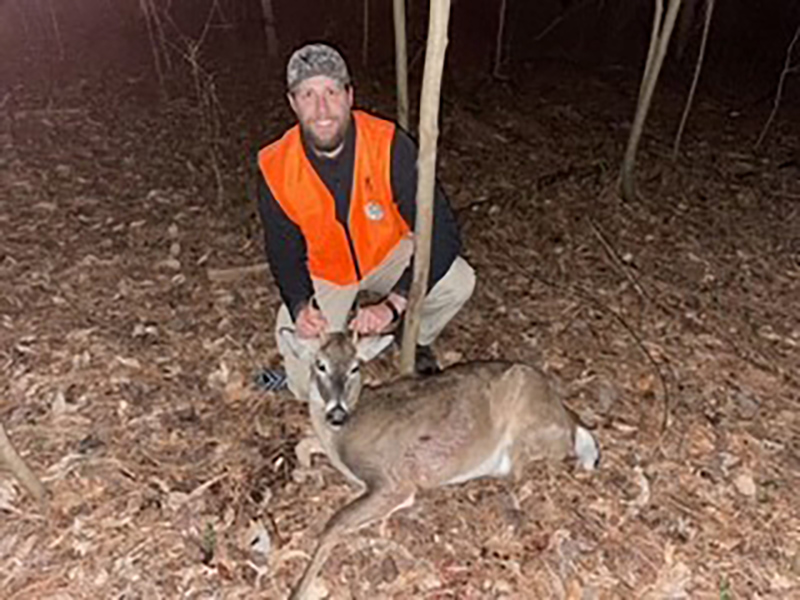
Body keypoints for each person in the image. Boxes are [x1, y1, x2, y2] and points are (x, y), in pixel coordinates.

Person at [256, 42, 476, 400]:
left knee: (459, 281)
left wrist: (395, 302)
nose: (322, 108)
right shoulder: (275, 166)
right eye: (308, 95)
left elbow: (443, 234)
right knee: (302, 385)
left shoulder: (389, 145)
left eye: (331, 91)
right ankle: (299, 378)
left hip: (386, 253)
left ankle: (412, 338)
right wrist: (299, 304)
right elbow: (283, 251)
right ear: (293, 103)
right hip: (330, 272)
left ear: (349, 95)